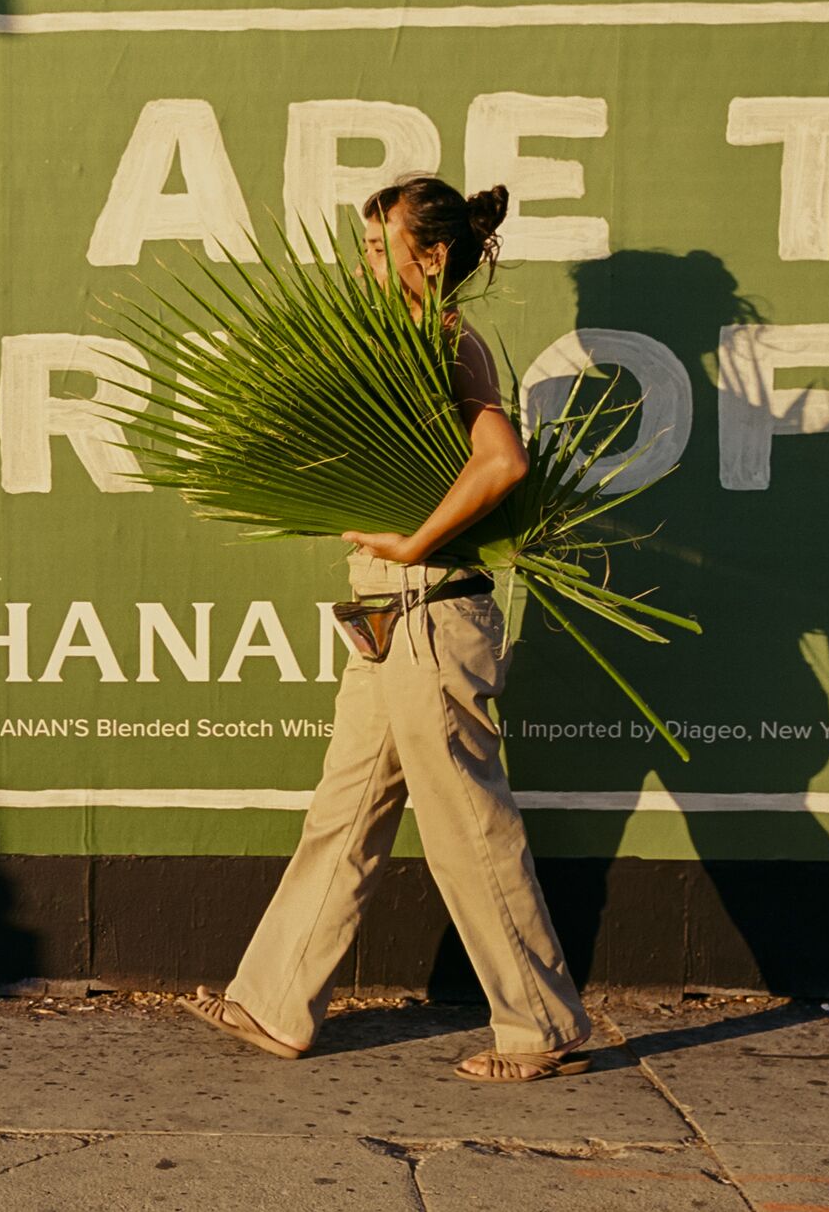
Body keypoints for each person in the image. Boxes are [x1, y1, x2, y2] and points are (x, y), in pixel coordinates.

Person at [179, 175, 595, 1083]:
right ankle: (274, 1002)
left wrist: (413, 539)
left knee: (466, 826)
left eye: (381, 246)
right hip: (389, 617)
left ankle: (543, 1029)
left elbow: (503, 461)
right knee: (344, 811)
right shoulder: (395, 347)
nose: (368, 262)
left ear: (432, 253)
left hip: (434, 613)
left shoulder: (449, 339)